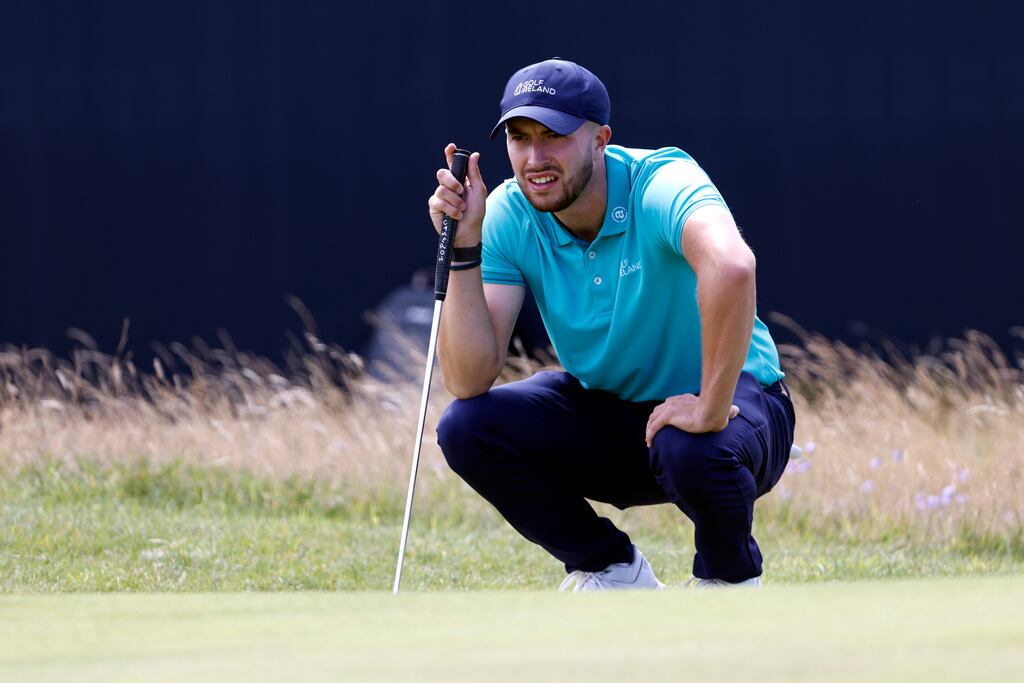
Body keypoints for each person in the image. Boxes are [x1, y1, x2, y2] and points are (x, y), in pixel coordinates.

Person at [426, 58, 795, 591]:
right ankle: (610, 569)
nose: (534, 158)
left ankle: (730, 580)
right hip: (617, 418)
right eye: (519, 137)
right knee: (465, 426)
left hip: (737, 410)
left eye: (554, 136)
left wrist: (710, 408)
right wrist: (464, 247)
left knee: (690, 447)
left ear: (600, 139)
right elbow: (468, 379)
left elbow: (733, 266)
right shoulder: (508, 212)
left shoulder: (660, 181)